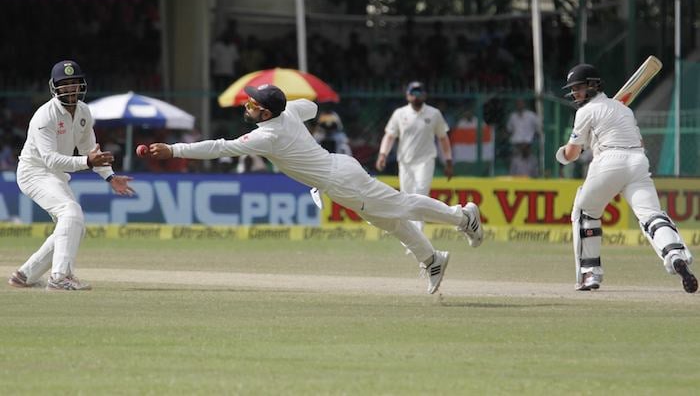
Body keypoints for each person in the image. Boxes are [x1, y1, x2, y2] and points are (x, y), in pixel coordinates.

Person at [145, 84, 483, 294]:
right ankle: (432, 259)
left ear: (265, 111)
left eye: (251, 105)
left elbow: (220, 147)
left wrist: (174, 149)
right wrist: (290, 105)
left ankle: (463, 217)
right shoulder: (289, 110)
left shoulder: (267, 135)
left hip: (338, 179)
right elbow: (312, 107)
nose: (246, 108)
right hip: (338, 171)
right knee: (388, 220)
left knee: (401, 206)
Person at [556, 63, 696, 293]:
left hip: (610, 161)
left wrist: (562, 154)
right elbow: (639, 143)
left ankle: (589, 274)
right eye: (574, 89)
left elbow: (571, 154)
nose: (575, 93)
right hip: (638, 162)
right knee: (651, 215)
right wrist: (592, 141)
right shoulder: (624, 110)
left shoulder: (585, 111)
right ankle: (674, 254)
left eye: (579, 87)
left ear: (593, 85)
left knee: (585, 211)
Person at [7, 60, 134, 291]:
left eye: (74, 83)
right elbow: (51, 159)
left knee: (74, 226)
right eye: (65, 84)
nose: (71, 88)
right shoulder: (44, 116)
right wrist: (87, 162)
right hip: (34, 173)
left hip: (55, 174)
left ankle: (25, 275)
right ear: (55, 87)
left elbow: (90, 149)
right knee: (70, 212)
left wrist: (110, 177)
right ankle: (60, 277)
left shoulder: (84, 111)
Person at [375, 81, 453, 233]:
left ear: (425, 95)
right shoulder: (400, 114)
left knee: (420, 194)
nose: (416, 96)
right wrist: (382, 154)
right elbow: (390, 136)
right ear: (407, 95)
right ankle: (410, 236)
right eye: (413, 93)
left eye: (419, 93)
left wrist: (448, 160)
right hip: (405, 162)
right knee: (407, 198)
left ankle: (419, 234)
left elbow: (443, 138)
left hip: (425, 161)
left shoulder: (434, 113)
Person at [506, 98, 541, 175]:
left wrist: (533, 138)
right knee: (516, 161)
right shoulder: (513, 116)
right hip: (516, 144)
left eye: (521, 104)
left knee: (530, 160)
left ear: (524, 104)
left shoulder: (531, 115)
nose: (519, 106)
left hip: (528, 143)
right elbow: (509, 130)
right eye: (518, 104)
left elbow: (538, 128)